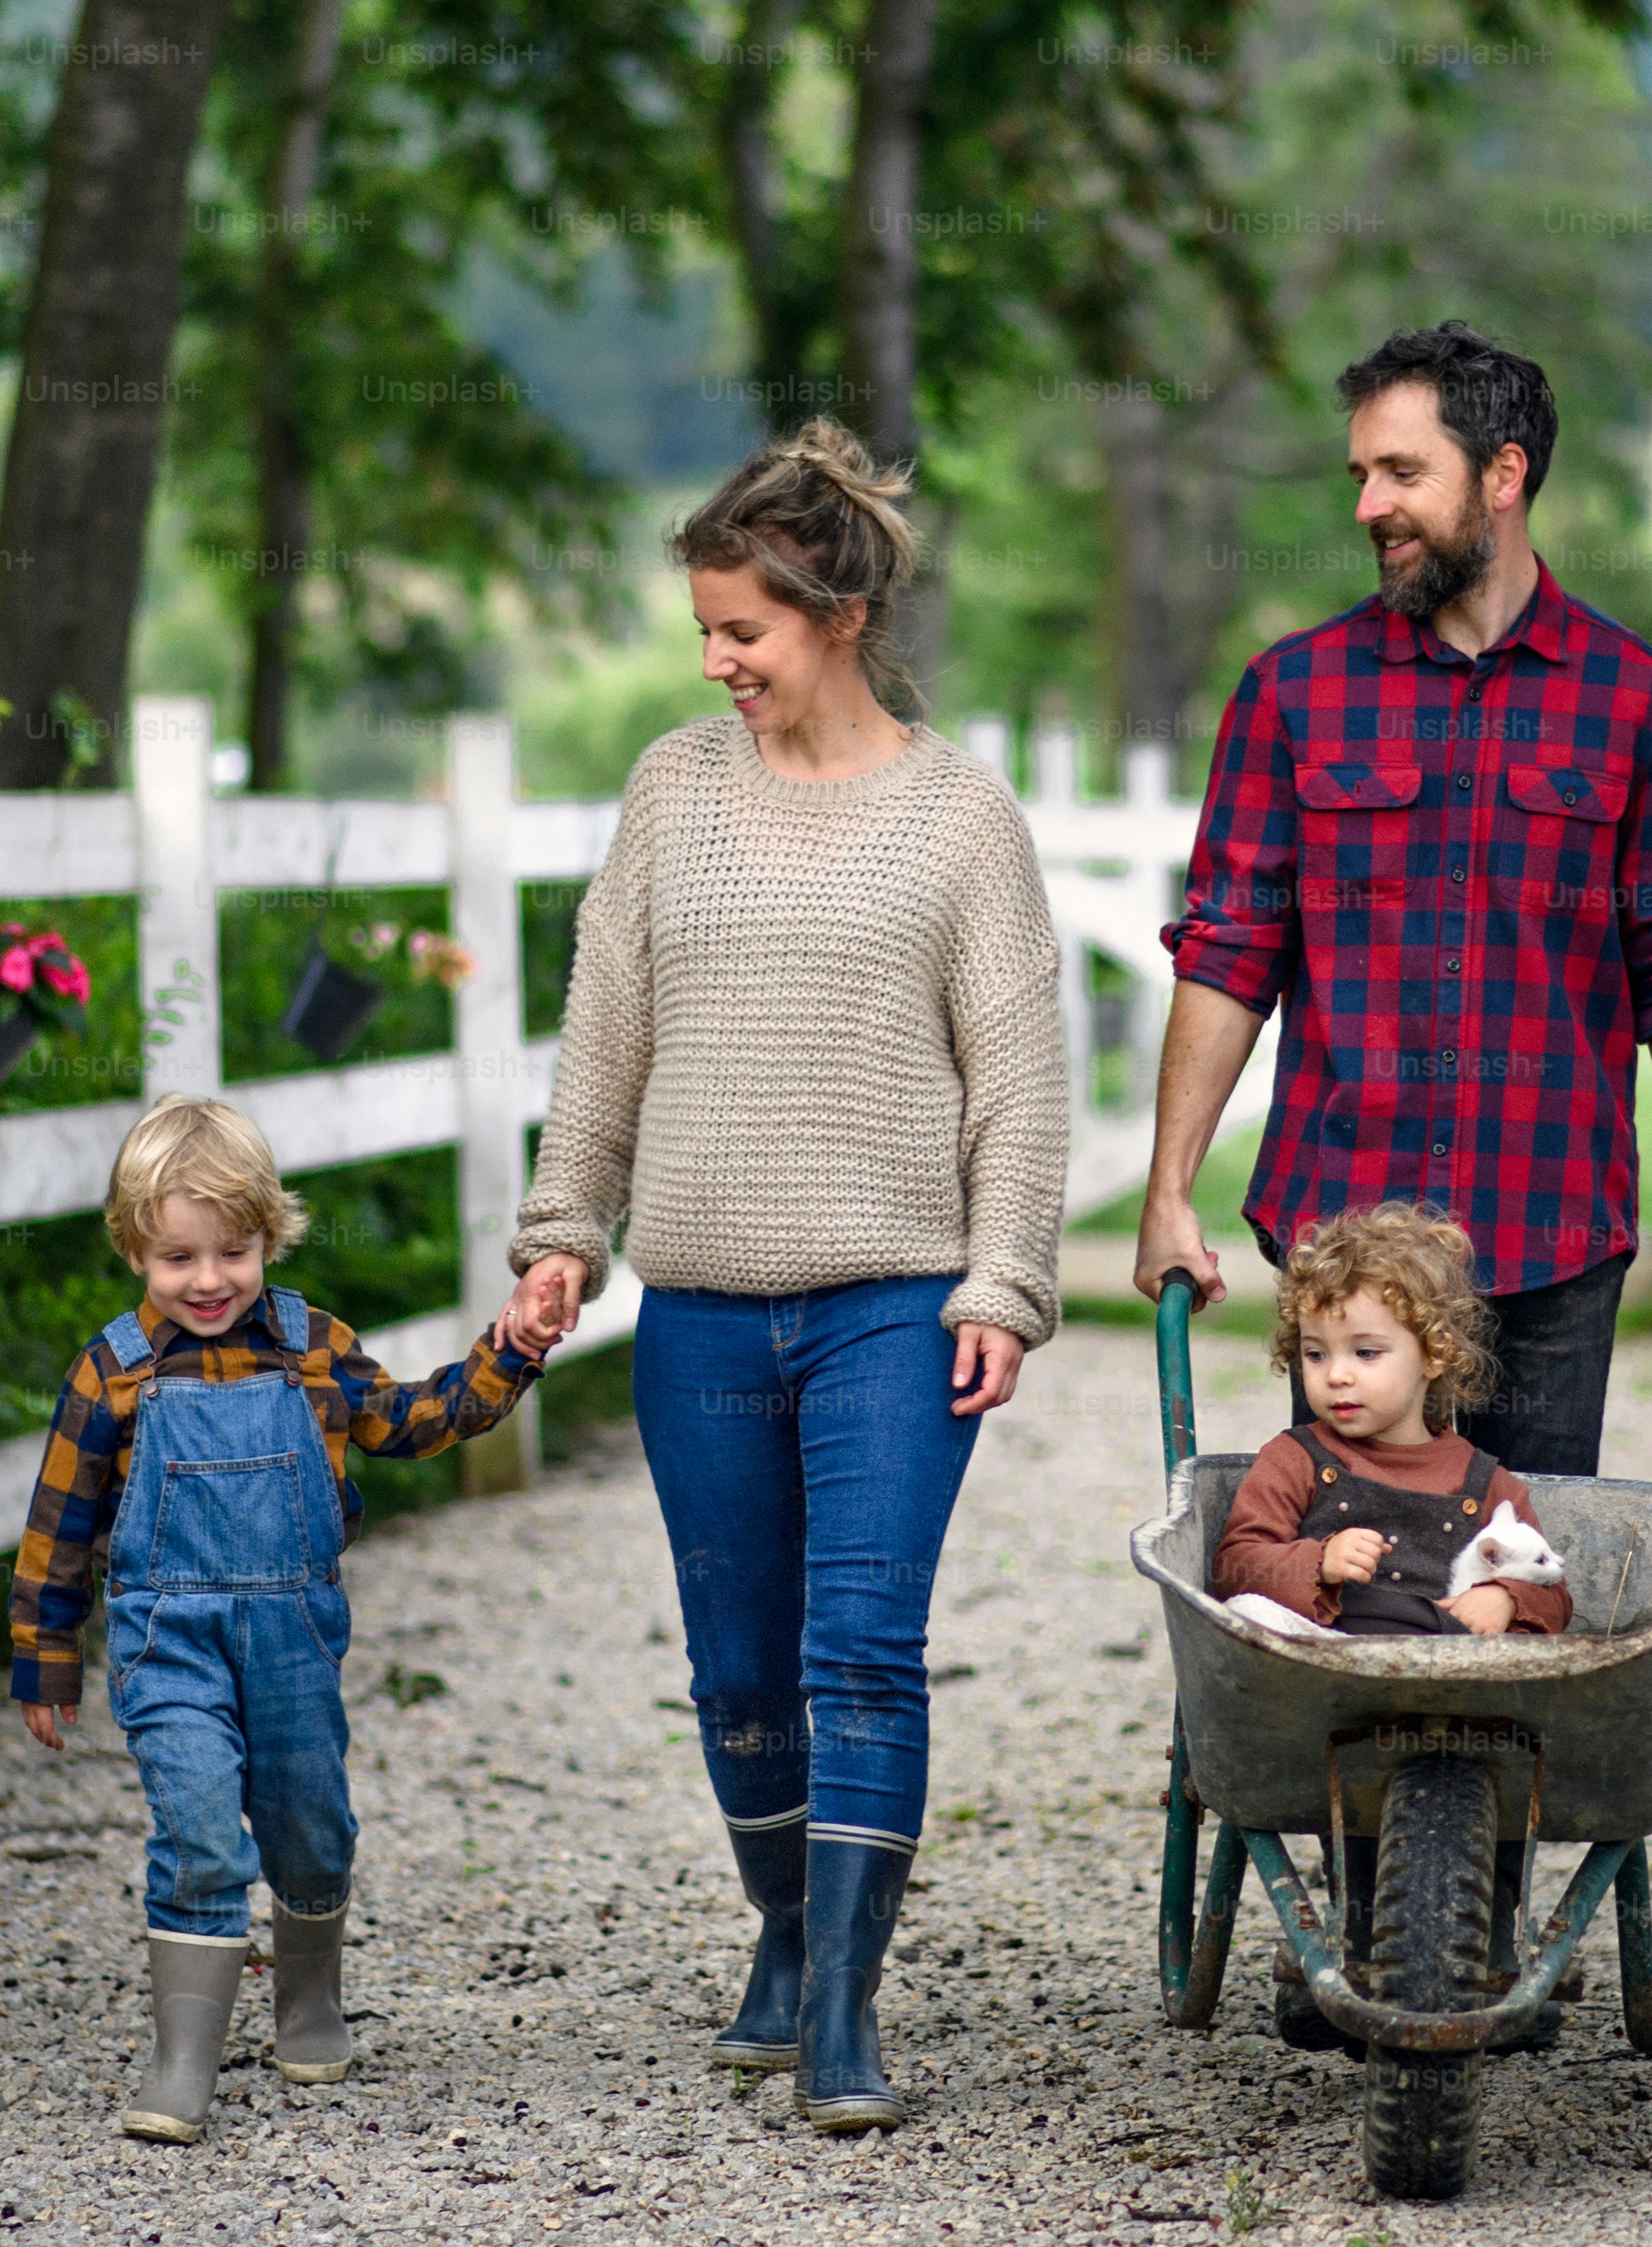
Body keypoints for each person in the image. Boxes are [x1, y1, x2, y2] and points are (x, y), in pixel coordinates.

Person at [496, 420, 1066, 2134]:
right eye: (703, 629)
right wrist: (561, 1231)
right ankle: (785, 1923)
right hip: (697, 1313)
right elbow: (605, 1029)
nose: (714, 660)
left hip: (895, 1305)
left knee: (861, 1650)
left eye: (741, 627)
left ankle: (839, 2004)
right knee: (739, 1670)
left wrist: (1003, 1280)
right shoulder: (671, 790)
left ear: (838, 615)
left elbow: (1019, 1078)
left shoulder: (959, 816)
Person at [1135, 319, 1652, 1473]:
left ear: (1503, 474)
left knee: (1523, 1563)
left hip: (1549, 1231)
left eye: (1401, 472)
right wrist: (1167, 1191)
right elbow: (1228, 951)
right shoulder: (1291, 694)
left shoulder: (1642, 703)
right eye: (1360, 474)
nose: (1368, 505)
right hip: (1346, 1243)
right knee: (1351, 1561)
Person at [8, 1093, 549, 2145]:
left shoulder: (313, 1347)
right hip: (168, 1640)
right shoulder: (113, 1370)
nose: (208, 1279)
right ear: (134, 1250)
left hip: (294, 1637)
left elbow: (415, 1419)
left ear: (268, 1237)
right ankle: (183, 2058)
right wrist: (45, 1655)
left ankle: (308, 2000)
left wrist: (509, 1350)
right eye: (178, 1257)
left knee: (310, 1825)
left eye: (233, 1251)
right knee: (198, 1823)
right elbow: (58, 1523)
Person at [1214, 1203, 1574, 1640]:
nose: (1336, 1375)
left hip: (1446, 1662)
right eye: (1316, 1353)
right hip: (1323, 1655)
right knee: (1247, 1612)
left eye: (1365, 1352)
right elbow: (1235, 1566)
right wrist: (1319, 1561)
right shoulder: (1295, 1459)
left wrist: (1506, 1597)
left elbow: (1555, 1592)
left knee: (1523, 1647)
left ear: (1434, 1355)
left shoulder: (1487, 1484)